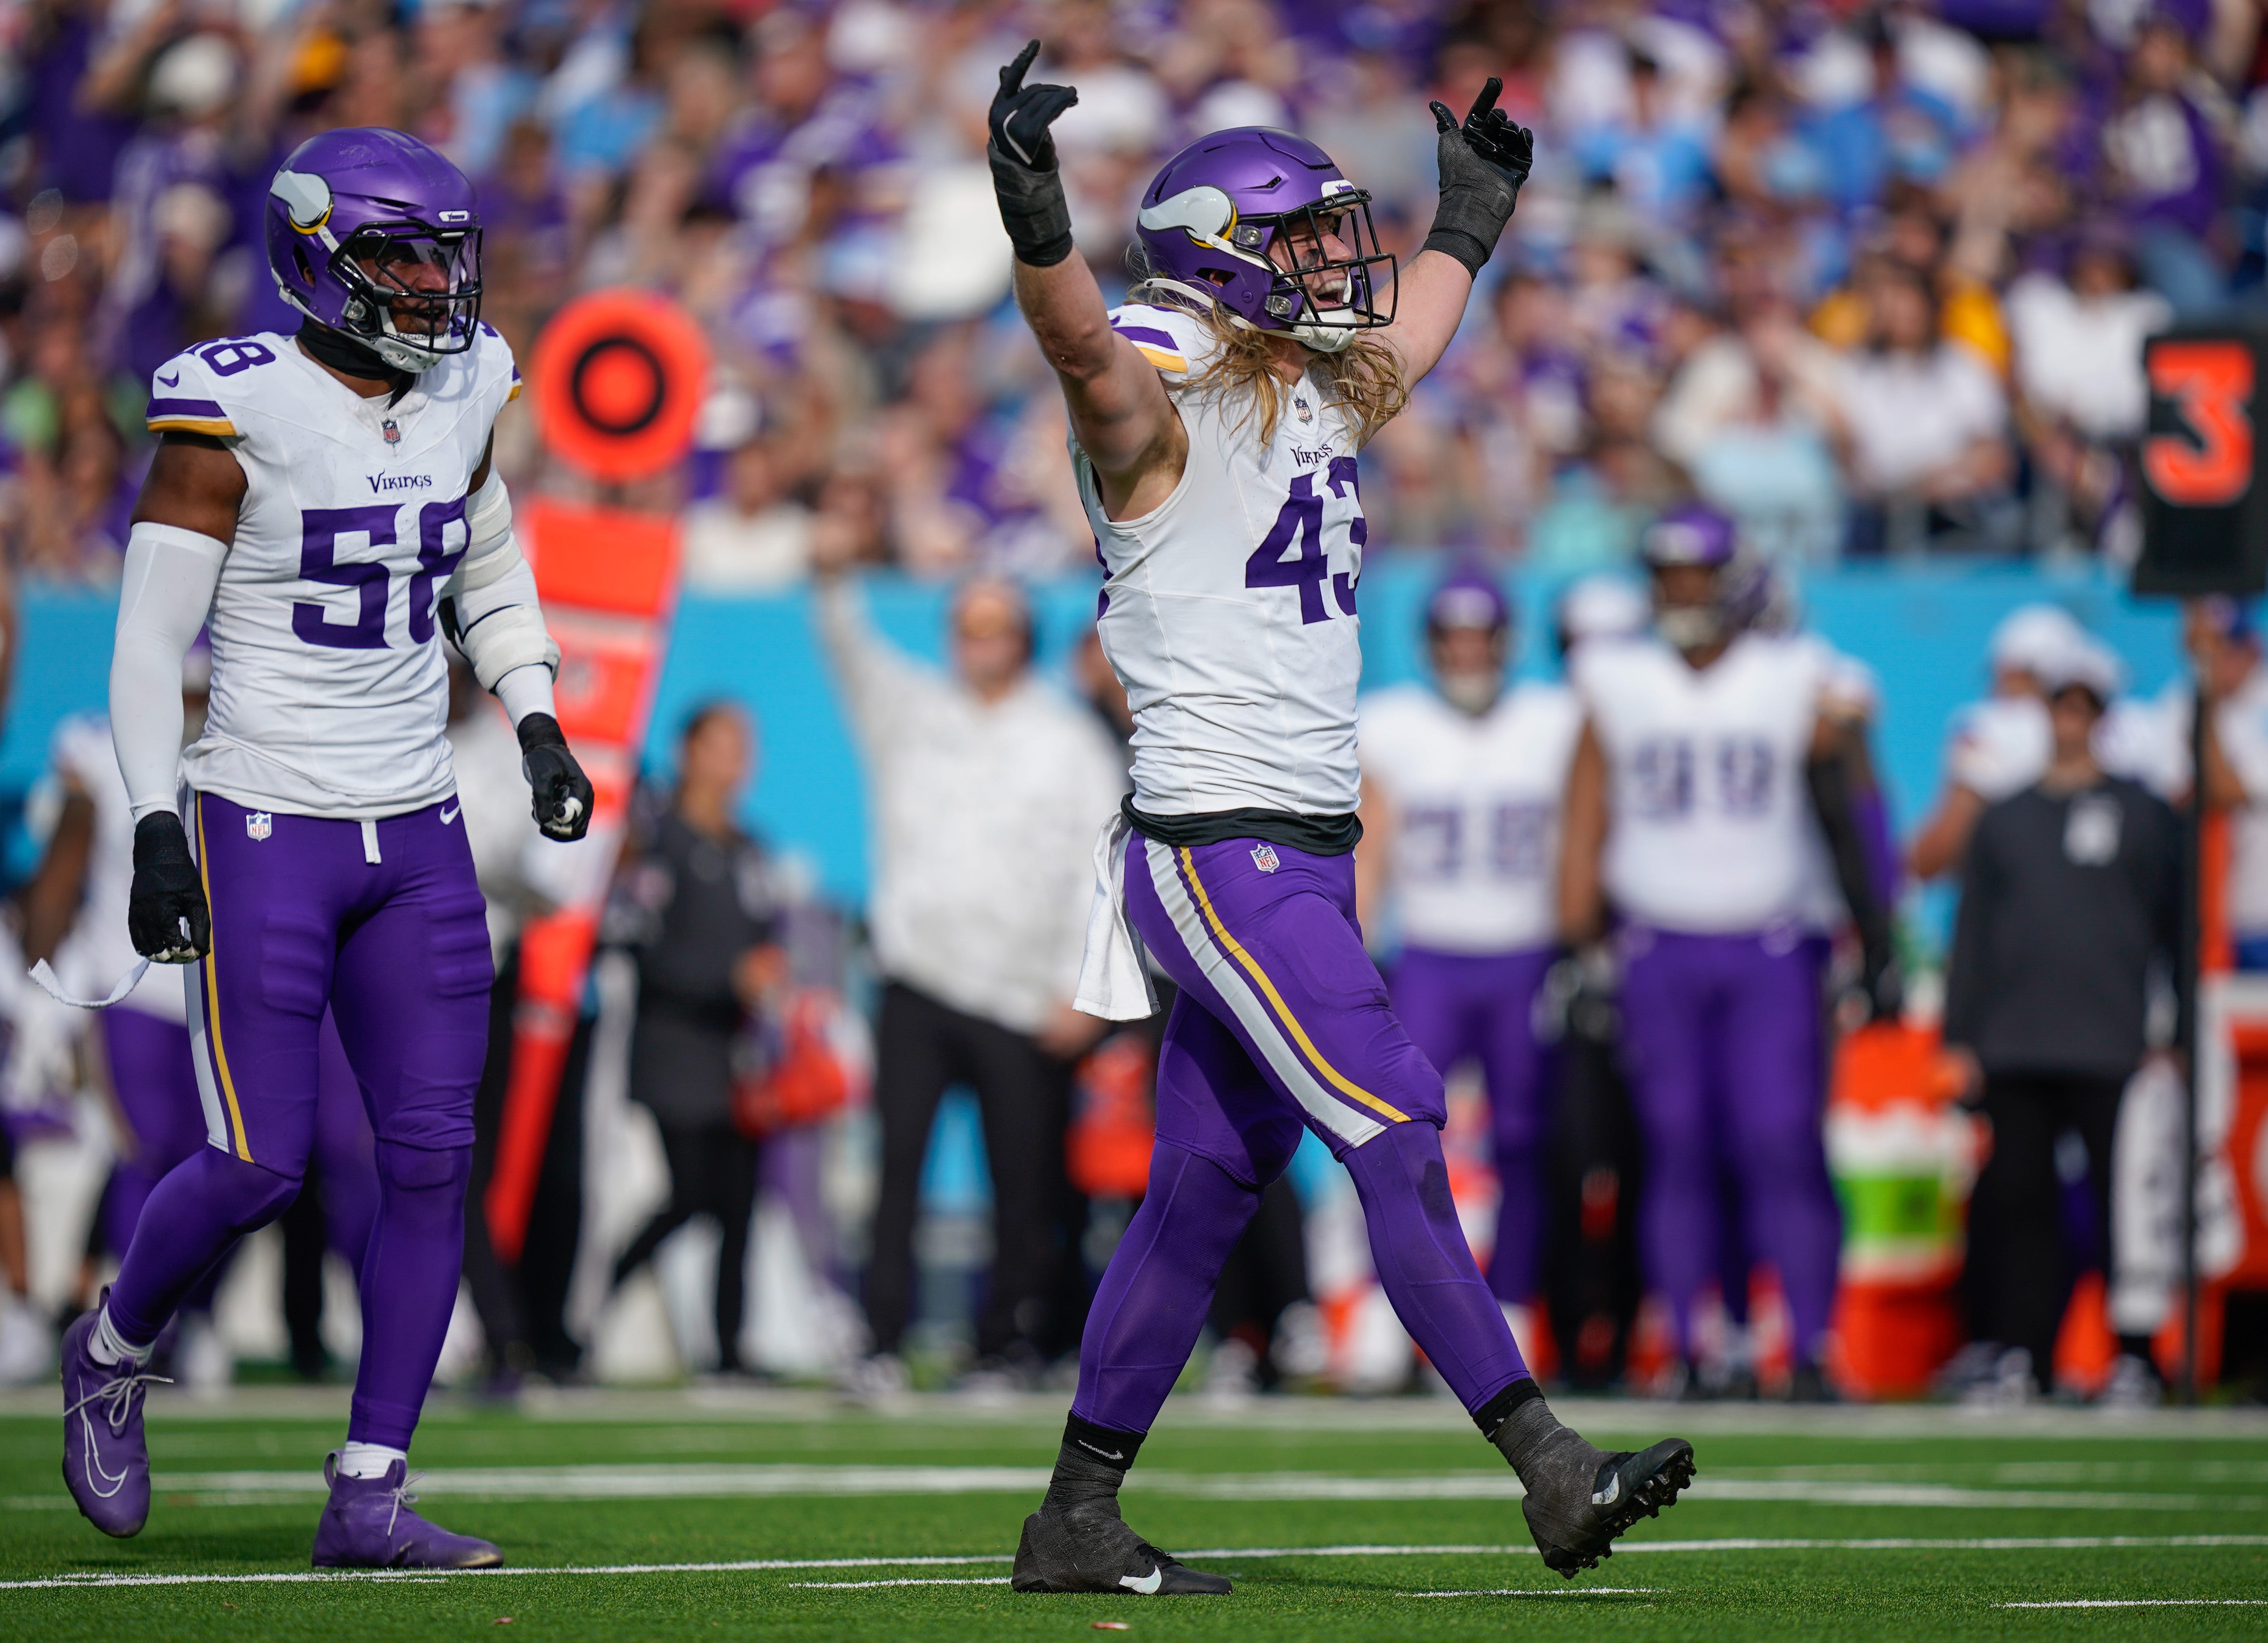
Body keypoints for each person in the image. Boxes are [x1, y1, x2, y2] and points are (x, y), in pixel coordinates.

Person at [989, 42, 1691, 1596]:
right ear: (1218, 266)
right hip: (1219, 848)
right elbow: (1080, 349)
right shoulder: (1153, 414)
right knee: (1393, 1124)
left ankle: (1074, 1516)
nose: (1332, 262)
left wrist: (1469, 221)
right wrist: (1036, 218)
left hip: (1299, 849)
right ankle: (1546, 1463)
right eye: (1298, 238)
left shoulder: (1312, 389)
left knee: (1202, 1191)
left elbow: (1417, 336)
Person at [60, 128, 593, 1568]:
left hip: (417, 824)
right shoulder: (235, 406)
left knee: (431, 1162)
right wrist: (161, 821)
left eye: (443, 254)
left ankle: (370, 1488)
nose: (433, 285)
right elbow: (146, 640)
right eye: (399, 257)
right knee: (257, 1160)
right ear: (315, 255)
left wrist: (535, 713)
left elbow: (484, 555)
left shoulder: (469, 381)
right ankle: (110, 1347)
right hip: (264, 820)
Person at [1559, 504, 1898, 1402]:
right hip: (1656, 943)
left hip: (1773, 945)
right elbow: (1585, 809)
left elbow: (1852, 800)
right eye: (1669, 574)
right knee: (1676, 1146)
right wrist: (1576, 937)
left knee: (1781, 1139)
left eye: (1697, 574)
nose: (1682, 591)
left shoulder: (1794, 673)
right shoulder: (1618, 674)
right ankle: (1695, 1346)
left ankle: (1814, 1345)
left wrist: (1880, 926)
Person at [814, 546, 1123, 1394]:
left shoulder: (1065, 741)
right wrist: (834, 574)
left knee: (1022, 1183)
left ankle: (1008, 1341)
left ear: (1022, 637)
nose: (978, 639)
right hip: (917, 974)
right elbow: (851, 653)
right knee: (898, 1174)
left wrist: (1084, 991)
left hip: (1023, 997)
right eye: (966, 624)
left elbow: (1104, 874)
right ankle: (880, 1338)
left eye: (995, 625)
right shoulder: (915, 713)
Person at [1942, 641, 2179, 1401]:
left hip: (2113, 1041)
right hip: (2016, 1044)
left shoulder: (2143, 812)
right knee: (2019, 1208)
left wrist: (2171, 1030)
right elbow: (1971, 932)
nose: (2070, 719)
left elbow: (2172, 925)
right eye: (2059, 704)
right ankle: (2023, 1354)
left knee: (2127, 1211)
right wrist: (1961, 1037)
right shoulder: (2007, 817)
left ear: (2103, 716)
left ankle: (2135, 1354)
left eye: (2085, 705)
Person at [1356, 569, 1582, 1362]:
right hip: (1427, 953)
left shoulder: (1554, 720)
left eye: (1479, 638)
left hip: (1526, 951)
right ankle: (1392, 1309)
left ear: (1505, 643)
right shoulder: (1391, 725)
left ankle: (1513, 1303)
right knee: (1392, 1135)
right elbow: (1370, 843)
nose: (1466, 653)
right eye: (1451, 639)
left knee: (1525, 1139)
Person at [605, 702, 784, 1378]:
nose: (736, 759)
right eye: (722, 743)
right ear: (689, 751)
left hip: (734, 1058)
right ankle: (596, 1299)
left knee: (738, 1205)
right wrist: (727, 978)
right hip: (674, 1049)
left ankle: (729, 1350)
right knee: (690, 1194)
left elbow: (765, 942)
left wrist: (769, 977)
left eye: (744, 745)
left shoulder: (750, 849)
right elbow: (643, 950)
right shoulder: (658, 843)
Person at [1907, 604, 2087, 881]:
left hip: (2020, 912)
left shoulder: (1995, 726)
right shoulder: (2114, 730)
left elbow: (1945, 843)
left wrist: (1886, 878)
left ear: (2012, 671)